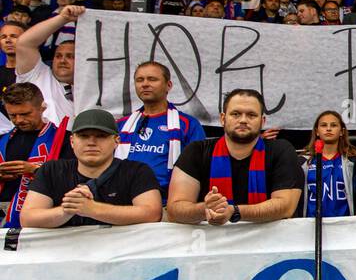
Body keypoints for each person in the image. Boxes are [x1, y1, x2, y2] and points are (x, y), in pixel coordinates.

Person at [167, 89, 304, 223]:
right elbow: (174, 210)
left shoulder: (281, 151)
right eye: (236, 114)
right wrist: (206, 209)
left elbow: (286, 207)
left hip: (268, 244)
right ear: (222, 118)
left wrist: (234, 212)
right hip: (211, 243)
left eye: (251, 115)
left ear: (262, 121)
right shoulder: (197, 151)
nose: (243, 120)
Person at [20, 108, 162, 228]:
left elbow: (152, 213)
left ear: (116, 141)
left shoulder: (137, 171)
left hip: (120, 255)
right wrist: (67, 210)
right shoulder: (52, 170)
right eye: (83, 136)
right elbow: (27, 218)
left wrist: (92, 209)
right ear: (72, 141)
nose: (91, 142)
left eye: (101, 136)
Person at [113, 61, 206, 196]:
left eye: (152, 79)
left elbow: (198, 168)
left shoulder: (188, 125)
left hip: (166, 202)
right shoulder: (121, 125)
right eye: (140, 80)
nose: (145, 84)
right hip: (122, 199)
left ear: (168, 85)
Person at [0, 82, 71, 227]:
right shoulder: (3, 140)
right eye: (12, 115)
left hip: (45, 212)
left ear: (42, 107)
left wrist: (35, 170)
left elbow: (73, 175)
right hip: (5, 214)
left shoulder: (64, 139)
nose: (19, 120)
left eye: (25, 114)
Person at [13, 2, 81, 124]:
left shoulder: (93, 89)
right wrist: (63, 18)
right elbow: (24, 43)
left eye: (70, 56)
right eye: (58, 56)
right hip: (36, 141)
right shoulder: (37, 75)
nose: (62, 60)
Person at [301, 110, 356, 217]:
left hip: (344, 224)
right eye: (323, 125)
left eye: (333, 125)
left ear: (342, 131)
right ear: (317, 131)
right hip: (311, 224)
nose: (328, 129)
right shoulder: (303, 162)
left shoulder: (353, 161)